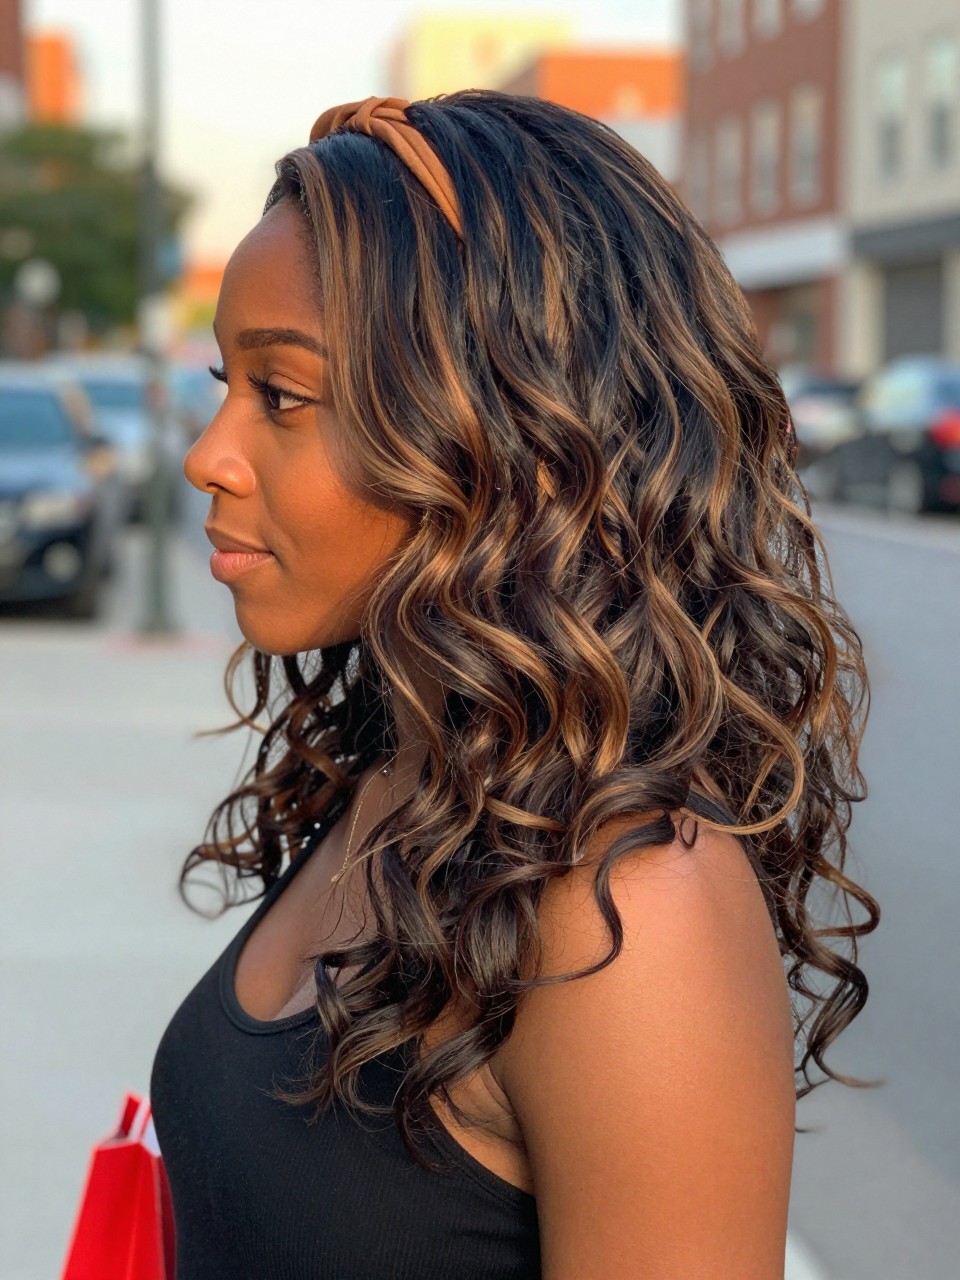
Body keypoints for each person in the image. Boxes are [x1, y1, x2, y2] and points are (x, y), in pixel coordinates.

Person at [150, 91, 879, 1279]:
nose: (207, 453)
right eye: (225, 382)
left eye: (282, 396)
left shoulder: (631, 907)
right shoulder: (410, 774)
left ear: (502, 435)